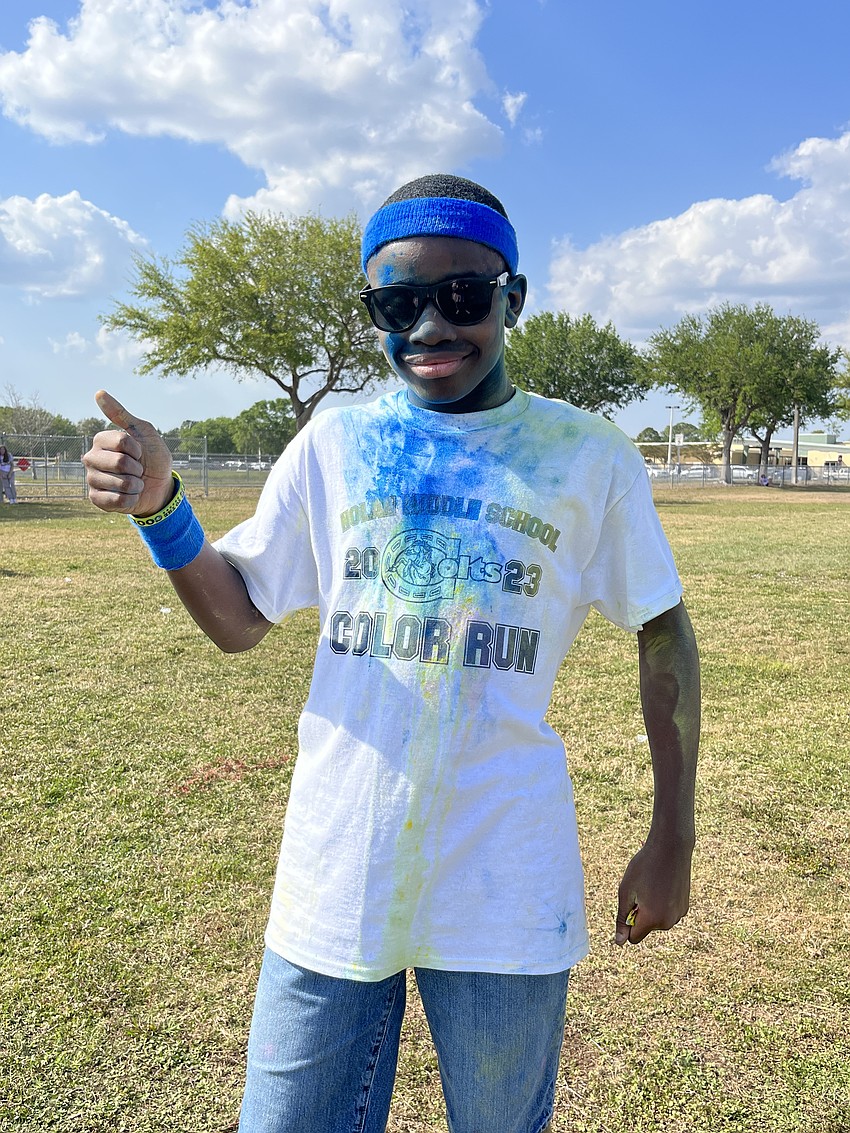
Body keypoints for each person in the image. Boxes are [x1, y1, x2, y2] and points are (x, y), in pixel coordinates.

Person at [83, 174, 699, 1133]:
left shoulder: (588, 456)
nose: (430, 327)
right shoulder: (336, 443)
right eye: (397, 302)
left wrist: (674, 838)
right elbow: (241, 614)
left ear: (514, 297)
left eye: (462, 296)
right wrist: (164, 510)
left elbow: (663, 630)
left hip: (505, 878)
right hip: (338, 865)